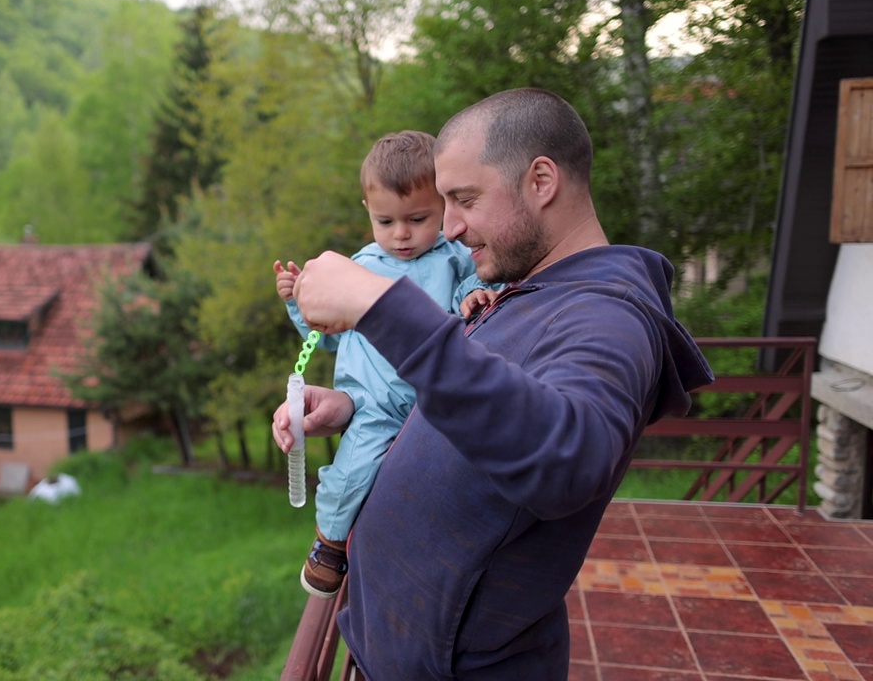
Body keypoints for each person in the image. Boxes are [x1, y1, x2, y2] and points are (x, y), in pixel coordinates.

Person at [273, 88, 713, 680]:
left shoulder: (607, 315)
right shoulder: (526, 289)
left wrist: (379, 304)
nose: (449, 227)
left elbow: (568, 458)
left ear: (540, 181)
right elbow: (468, 407)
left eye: (465, 199)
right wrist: (350, 407)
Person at [273, 130, 497, 599]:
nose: (401, 234)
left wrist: (472, 296)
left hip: (436, 398)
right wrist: (299, 302)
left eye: (417, 219)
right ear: (367, 211)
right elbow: (328, 336)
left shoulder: (455, 259)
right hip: (373, 402)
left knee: (444, 485)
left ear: (442, 207)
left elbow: (466, 298)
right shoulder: (357, 267)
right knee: (352, 470)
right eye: (386, 221)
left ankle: (432, 564)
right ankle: (330, 541)